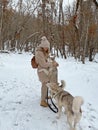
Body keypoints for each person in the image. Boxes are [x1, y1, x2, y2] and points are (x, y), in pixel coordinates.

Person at [35, 36, 58, 107]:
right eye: (46, 47)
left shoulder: (44, 52)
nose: (47, 48)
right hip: (41, 71)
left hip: (45, 70)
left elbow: (47, 60)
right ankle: (42, 101)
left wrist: (53, 62)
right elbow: (43, 64)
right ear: (42, 46)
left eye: (47, 47)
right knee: (45, 84)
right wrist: (52, 64)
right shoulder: (39, 53)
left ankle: (45, 96)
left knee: (47, 83)